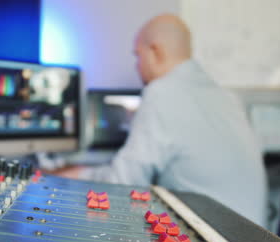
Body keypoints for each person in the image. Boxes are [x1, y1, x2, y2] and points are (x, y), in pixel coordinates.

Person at [57, 14, 268, 227]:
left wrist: (73, 174)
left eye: (138, 56)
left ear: (155, 51)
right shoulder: (226, 96)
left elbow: (122, 181)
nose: (137, 66)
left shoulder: (163, 92)